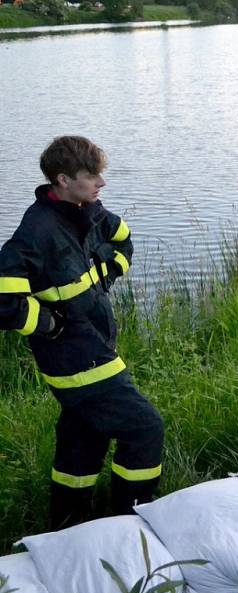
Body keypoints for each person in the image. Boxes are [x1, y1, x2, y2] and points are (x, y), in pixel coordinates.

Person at [0, 136, 164, 530]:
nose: (101, 183)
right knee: (144, 428)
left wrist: (106, 273)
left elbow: (124, 239)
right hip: (76, 363)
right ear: (62, 179)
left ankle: (69, 525)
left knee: (83, 438)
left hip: (96, 347)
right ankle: (130, 521)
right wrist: (49, 323)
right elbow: (5, 301)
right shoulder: (36, 231)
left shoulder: (87, 211)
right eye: (92, 176)